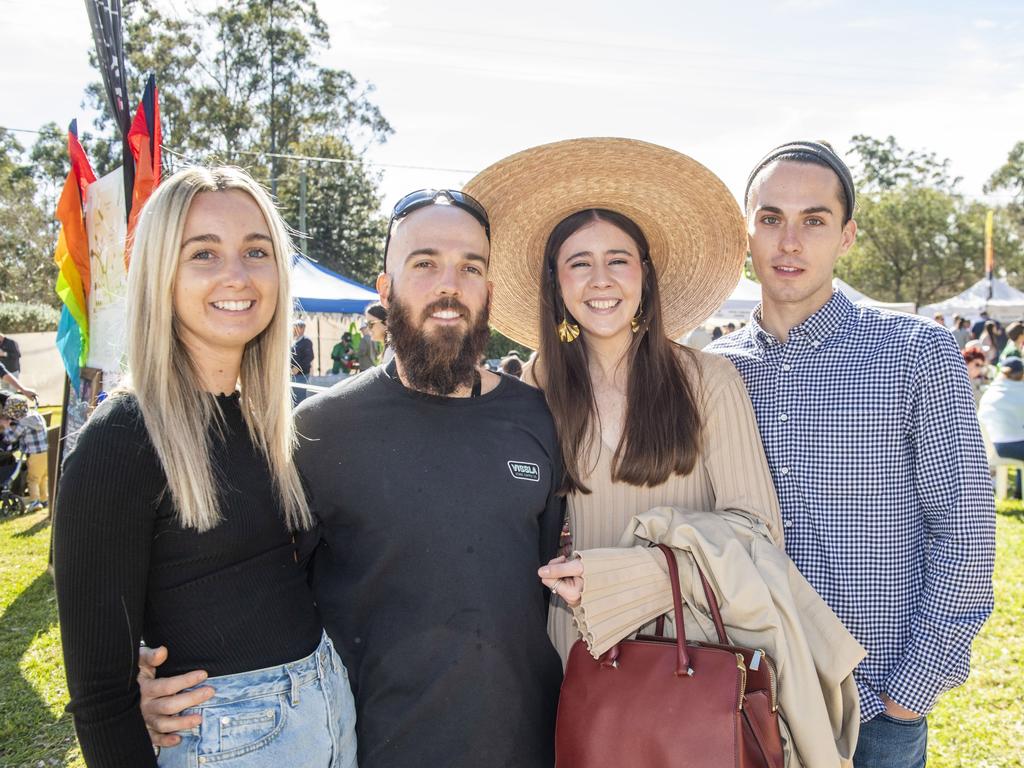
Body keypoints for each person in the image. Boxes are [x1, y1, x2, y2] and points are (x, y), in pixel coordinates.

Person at [465, 138, 864, 765]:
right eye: (579, 264)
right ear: (556, 284)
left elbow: (756, 532)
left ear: (645, 274)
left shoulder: (708, 381)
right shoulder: (534, 387)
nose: (601, 280)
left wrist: (630, 575)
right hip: (570, 657)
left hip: (692, 661)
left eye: (618, 260)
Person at [139, 188, 564, 768]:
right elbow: (240, 579)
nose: (450, 284)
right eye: (425, 263)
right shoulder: (314, 431)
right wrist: (144, 669)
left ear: (488, 290)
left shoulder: (537, 419)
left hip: (525, 743)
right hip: (358, 746)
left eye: (471, 267)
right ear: (384, 290)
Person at [52, 166, 357, 768]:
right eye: (204, 254)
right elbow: (101, 697)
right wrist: (131, 684)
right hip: (224, 742)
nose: (236, 276)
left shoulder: (287, 419)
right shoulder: (121, 443)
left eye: (256, 250)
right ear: (162, 274)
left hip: (331, 719)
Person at [705, 140, 995, 767]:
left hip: (874, 711)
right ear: (745, 235)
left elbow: (966, 527)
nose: (790, 242)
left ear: (847, 236)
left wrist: (907, 697)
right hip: (746, 701)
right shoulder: (714, 371)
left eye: (814, 220)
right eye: (771, 218)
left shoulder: (915, 353)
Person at [978, 356, 1024, 497]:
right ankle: (1019, 491)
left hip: (993, 448)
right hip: (1017, 447)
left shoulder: (991, 392)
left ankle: (1017, 492)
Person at [0, 393, 48, 511]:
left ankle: (35, 502)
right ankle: (44, 499)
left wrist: (6, 427)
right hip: (46, 452)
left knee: (32, 479)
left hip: (34, 454)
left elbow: (10, 438)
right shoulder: (36, 416)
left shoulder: (22, 423)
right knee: (42, 477)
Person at [291, 318, 314, 404]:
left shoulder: (306, 342)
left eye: (297, 327)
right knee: (292, 397)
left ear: (302, 329)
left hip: (301, 374)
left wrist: (297, 368)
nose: (294, 329)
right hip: (291, 374)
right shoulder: (292, 340)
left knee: (299, 397)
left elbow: (309, 357)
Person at [359, 302, 388, 371]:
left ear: (386, 322)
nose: (368, 328)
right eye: (366, 324)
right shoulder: (389, 349)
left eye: (371, 323)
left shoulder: (394, 352)